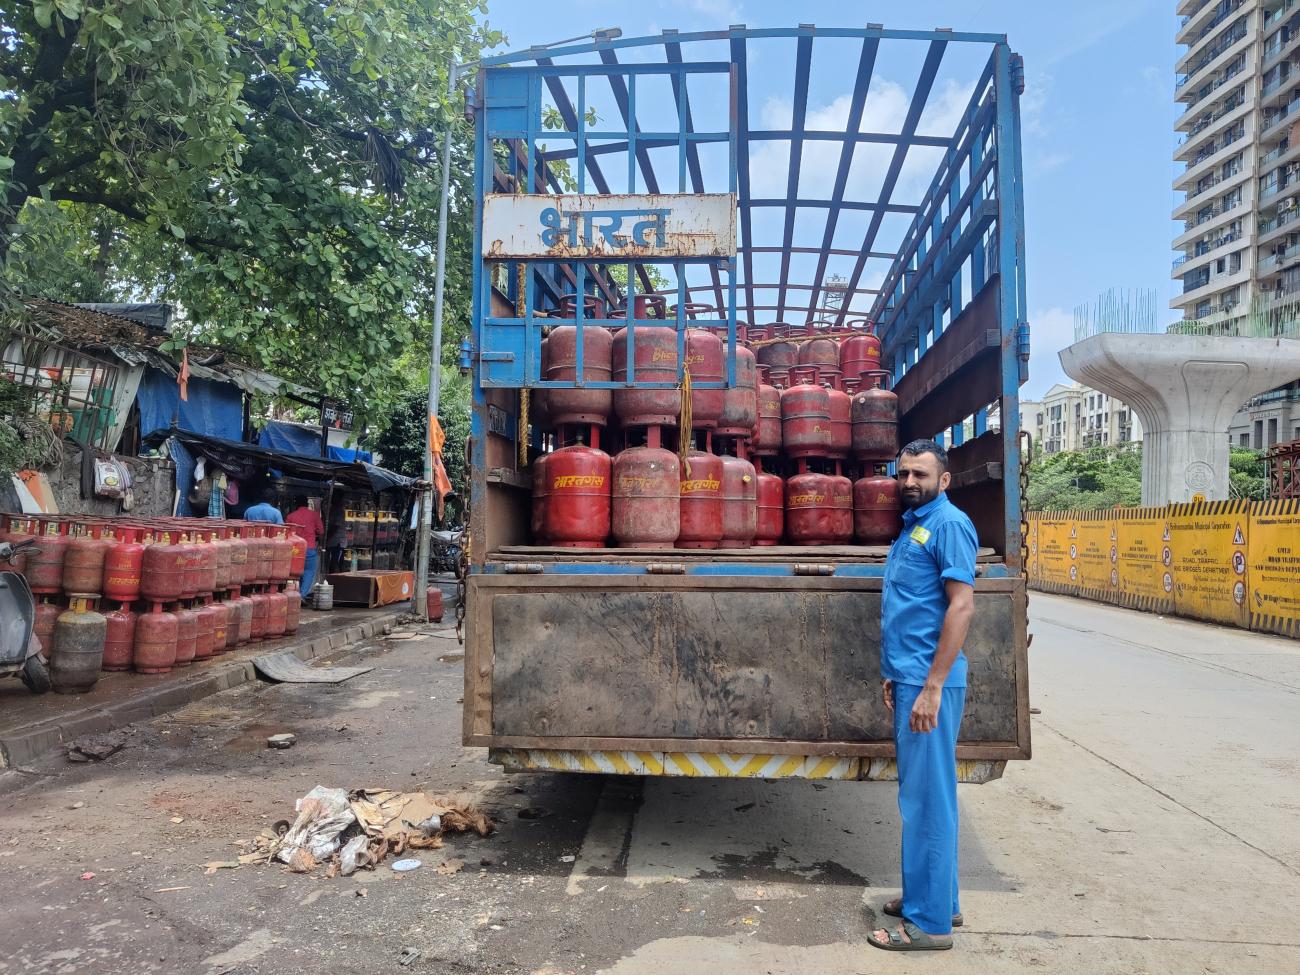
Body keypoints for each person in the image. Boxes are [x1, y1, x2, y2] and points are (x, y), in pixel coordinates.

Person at [868, 439, 977, 954]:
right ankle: (938, 899)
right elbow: (910, 609)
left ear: (945, 480)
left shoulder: (949, 525)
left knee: (926, 802)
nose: (909, 482)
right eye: (904, 474)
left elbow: (961, 608)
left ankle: (928, 925)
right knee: (931, 796)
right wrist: (896, 674)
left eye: (921, 475)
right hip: (912, 676)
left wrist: (931, 686)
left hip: (931, 683)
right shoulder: (915, 527)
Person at [285, 495, 325, 602]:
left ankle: (292, 593)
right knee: (309, 571)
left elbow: (286, 533)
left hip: (294, 549)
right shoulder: (314, 515)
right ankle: (301, 595)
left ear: (296, 504)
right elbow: (321, 532)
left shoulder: (290, 516)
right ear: (307, 504)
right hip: (309, 547)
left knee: (295, 572)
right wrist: (321, 545)